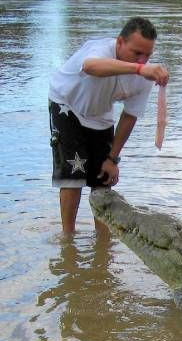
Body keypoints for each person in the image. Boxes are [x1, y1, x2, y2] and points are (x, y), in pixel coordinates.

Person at [48, 17, 169, 234]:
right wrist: (140, 69)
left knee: (103, 179)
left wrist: (112, 158)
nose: (143, 60)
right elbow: (91, 66)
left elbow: (130, 115)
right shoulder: (100, 50)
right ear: (119, 42)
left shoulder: (144, 76)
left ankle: (103, 242)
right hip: (66, 104)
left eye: (147, 55)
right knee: (74, 176)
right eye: (137, 53)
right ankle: (68, 239)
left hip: (100, 113)